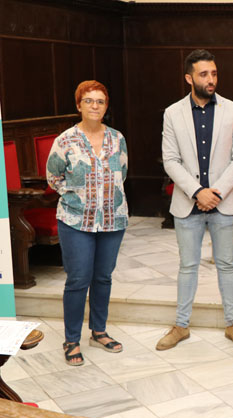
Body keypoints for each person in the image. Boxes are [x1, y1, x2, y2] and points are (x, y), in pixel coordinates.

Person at [157, 49, 233, 351]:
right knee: (188, 266)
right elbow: (170, 160)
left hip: (225, 202)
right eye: (204, 74)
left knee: (226, 265)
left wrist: (216, 192)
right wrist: (198, 192)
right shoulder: (173, 113)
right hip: (188, 204)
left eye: (214, 73)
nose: (211, 79)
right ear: (189, 78)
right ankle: (181, 325)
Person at [47, 80, 128, 366]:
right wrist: (77, 197)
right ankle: (71, 339)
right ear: (78, 105)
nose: (95, 106)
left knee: (103, 277)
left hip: (112, 220)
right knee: (78, 279)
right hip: (75, 220)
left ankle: (99, 331)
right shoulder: (65, 140)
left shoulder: (117, 138)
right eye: (89, 101)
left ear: (106, 107)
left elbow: (122, 174)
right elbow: (53, 177)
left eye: (100, 101)